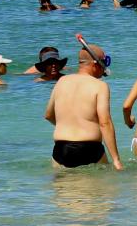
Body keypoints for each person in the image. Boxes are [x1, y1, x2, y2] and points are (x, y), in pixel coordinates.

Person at [44, 42, 122, 170]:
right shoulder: (100, 86)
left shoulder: (62, 81)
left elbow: (48, 115)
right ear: (95, 64)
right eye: (104, 63)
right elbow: (105, 123)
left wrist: (68, 124)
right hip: (89, 148)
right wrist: (116, 159)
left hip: (61, 149)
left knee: (64, 189)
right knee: (101, 189)